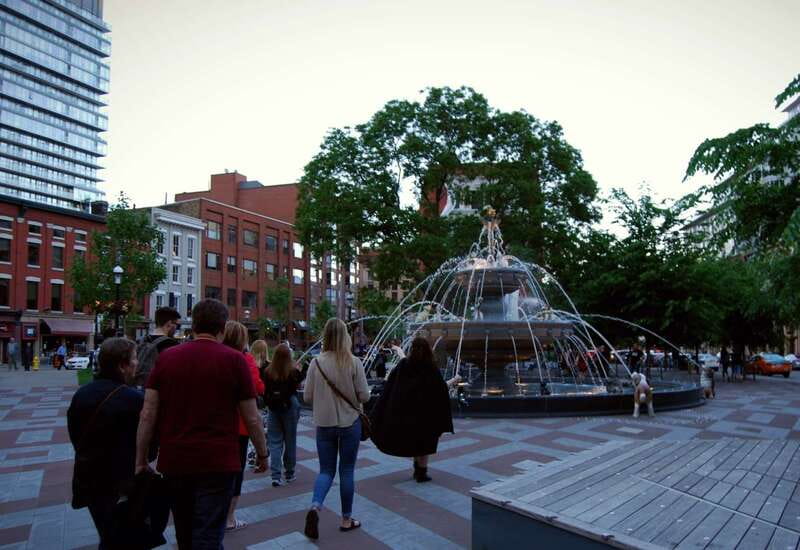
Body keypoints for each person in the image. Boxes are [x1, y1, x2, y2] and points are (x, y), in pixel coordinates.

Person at [135, 299, 268, 549]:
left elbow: (148, 412)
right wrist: (262, 453)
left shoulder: (167, 358)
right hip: (218, 461)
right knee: (208, 533)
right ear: (222, 327)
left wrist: (141, 459)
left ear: (193, 324)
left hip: (176, 461)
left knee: (185, 532)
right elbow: (252, 416)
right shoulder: (234, 360)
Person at [67, 338, 156, 549]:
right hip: (122, 482)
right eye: (134, 358)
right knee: (126, 537)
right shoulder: (132, 399)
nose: (137, 363)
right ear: (122, 365)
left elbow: (75, 435)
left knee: (108, 534)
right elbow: (148, 441)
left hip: (89, 479)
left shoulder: (82, 394)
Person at [302, 318, 370, 540]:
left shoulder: (315, 363)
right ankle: (346, 519)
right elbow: (365, 396)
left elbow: (307, 396)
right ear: (345, 337)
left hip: (324, 424)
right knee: (347, 471)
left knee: (326, 471)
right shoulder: (354, 362)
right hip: (350, 423)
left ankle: (315, 506)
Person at [369, 337, 454, 483]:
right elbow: (440, 389)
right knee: (425, 442)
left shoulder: (403, 365)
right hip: (426, 414)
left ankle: (417, 469)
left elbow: (391, 387)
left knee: (415, 440)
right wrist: (455, 380)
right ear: (428, 350)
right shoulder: (430, 367)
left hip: (407, 413)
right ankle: (421, 472)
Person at [221, 321, 266, 531]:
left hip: (214, 425)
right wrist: (262, 452)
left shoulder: (215, 356)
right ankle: (229, 517)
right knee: (235, 470)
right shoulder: (243, 359)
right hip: (238, 424)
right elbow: (257, 387)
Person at [263, 343, 303, 487]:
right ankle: (290, 472)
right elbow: (298, 385)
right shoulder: (292, 372)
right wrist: (299, 370)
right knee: (290, 440)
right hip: (289, 407)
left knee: (275, 441)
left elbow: (265, 390)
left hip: (274, 408)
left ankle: (275, 475)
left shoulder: (268, 371)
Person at [134, 307, 181, 387]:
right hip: (157, 387)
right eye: (177, 325)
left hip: (139, 385)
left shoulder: (143, 340)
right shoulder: (171, 344)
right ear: (169, 323)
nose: (177, 328)